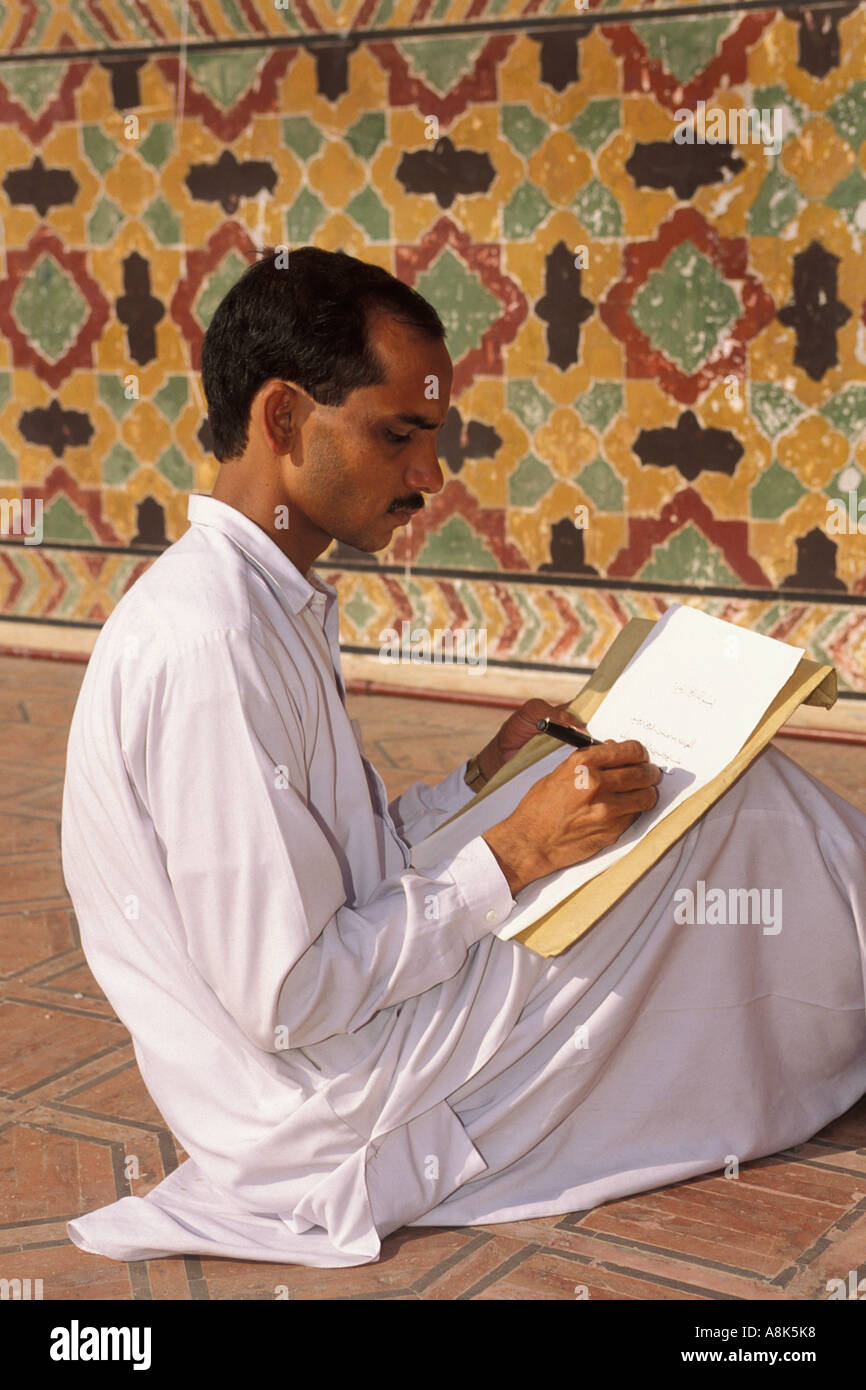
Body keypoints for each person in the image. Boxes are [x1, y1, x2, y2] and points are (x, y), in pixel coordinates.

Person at [61, 247, 866, 1267]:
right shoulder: (210, 639)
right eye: (398, 435)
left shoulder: (260, 598)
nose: (426, 476)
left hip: (336, 1041)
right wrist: (517, 852)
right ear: (281, 419)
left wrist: (482, 782)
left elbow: (342, 871)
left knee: (679, 796)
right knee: (724, 817)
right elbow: (284, 998)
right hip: (327, 1100)